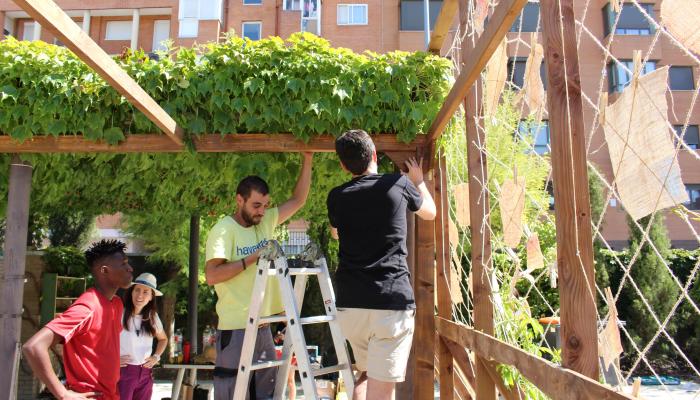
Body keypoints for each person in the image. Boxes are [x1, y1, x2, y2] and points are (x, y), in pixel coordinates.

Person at [327, 129, 436, 400]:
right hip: (389, 304)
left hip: (351, 303)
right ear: (374, 154)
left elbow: (335, 232)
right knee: (381, 389)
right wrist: (419, 181)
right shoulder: (398, 185)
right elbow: (430, 213)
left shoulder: (337, 196)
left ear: (343, 165)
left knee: (364, 375)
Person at [205, 152, 313, 400]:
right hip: (236, 327)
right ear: (239, 200)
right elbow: (212, 275)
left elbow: (298, 199)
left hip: (263, 326)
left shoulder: (265, 222)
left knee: (266, 393)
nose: (262, 211)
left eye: (265, 205)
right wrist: (253, 257)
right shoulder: (223, 230)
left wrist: (308, 157)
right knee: (233, 393)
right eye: (256, 205)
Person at [23, 239, 134, 400]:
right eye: (123, 264)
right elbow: (33, 347)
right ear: (104, 271)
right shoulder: (87, 308)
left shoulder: (116, 303)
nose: (130, 268)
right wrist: (62, 393)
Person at [118, 272, 168, 400]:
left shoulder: (152, 317)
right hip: (124, 372)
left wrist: (156, 357)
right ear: (131, 292)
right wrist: (113, 360)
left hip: (146, 373)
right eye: (137, 290)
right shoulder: (119, 314)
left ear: (151, 296)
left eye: (145, 292)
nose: (140, 295)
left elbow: (163, 339)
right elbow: (101, 341)